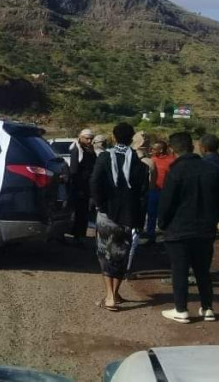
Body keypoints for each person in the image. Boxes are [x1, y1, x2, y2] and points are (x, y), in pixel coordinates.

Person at [158, 132, 219, 324]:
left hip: (179, 229)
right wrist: (215, 218)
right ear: (193, 146)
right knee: (203, 270)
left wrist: (163, 224)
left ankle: (181, 309)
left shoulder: (176, 171)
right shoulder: (212, 169)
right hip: (205, 229)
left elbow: (166, 203)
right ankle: (208, 308)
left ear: (172, 149)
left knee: (179, 270)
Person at [90, 122, 149, 311]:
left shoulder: (105, 157)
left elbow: (95, 182)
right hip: (129, 215)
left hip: (107, 214)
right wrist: (140, 219)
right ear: (132, 139)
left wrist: (100, 205)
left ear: (114, 137)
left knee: (105, 253)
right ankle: (115, 294)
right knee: (120, 254)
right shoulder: (139, 163)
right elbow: (143, 195)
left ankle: (109, 297)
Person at [127, 131, 157, 272]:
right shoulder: (149, 163)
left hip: (124, 203)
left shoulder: (123, 159)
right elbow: (151, 186)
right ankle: (128, 266)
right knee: (134, 236)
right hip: (140, 202)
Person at [68, 128, 96, 245]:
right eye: (87, 138)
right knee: (79, 213)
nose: (89, 141)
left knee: (84, 212)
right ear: (81, 137)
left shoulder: (89, 149)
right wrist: (77, 187)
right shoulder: (77, 150)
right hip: (80, 187)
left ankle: (80, 236)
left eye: (91, 138)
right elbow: (74, 170)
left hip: (87, 186)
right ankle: (77, 236)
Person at [146, 140, 176, 243]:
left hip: (166, 192)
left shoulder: (172, 161)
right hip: (153, 190)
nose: (152, 150)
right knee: (151, 214)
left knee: (166, 214)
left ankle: (169, 236)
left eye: (154, 149)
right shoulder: (152, 159)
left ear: (161, 150)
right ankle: (150, 236)